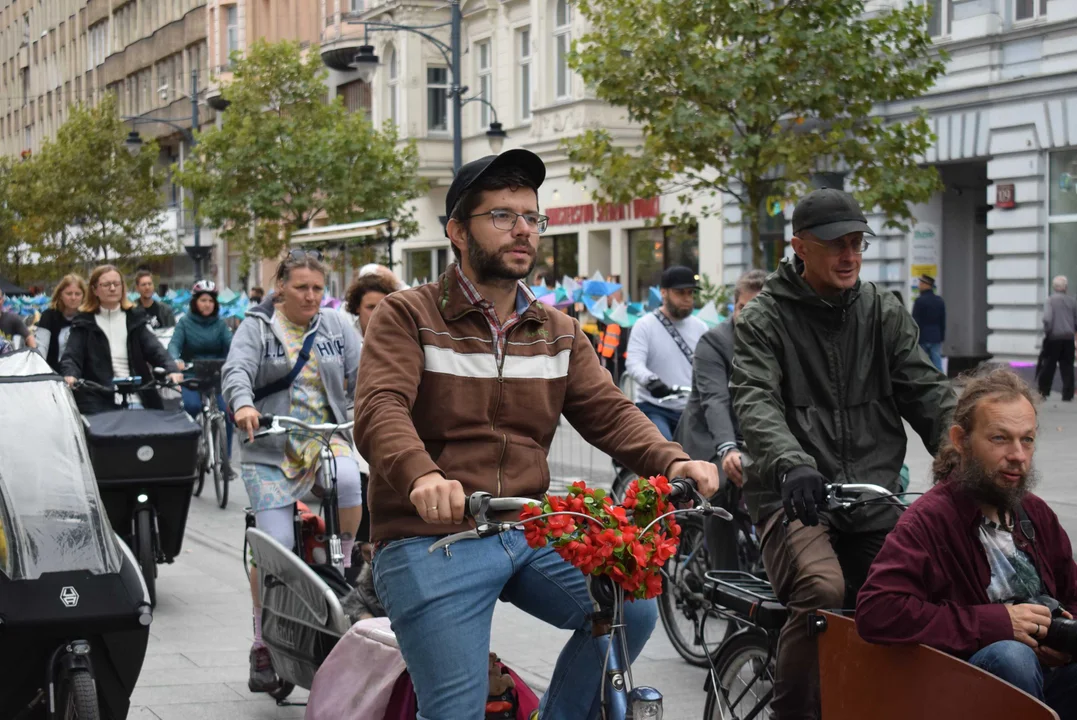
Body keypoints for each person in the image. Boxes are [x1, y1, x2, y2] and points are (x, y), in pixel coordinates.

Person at [354, 148, 719, 720]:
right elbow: (380, 408)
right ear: (456, 230)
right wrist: (421, 475)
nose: (523, 229)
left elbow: (609, 410)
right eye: (502, 216)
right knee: (453, 711)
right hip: (431, 536)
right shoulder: (408, 314)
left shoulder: (557, 330)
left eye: (532, 217)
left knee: (635, 607)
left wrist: (674, 461)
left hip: (524, 525)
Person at [730, 187, 956, 720]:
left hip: (871, 498)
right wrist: (793, 464)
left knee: (917, 592)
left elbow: (928, 392)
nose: (849, 255)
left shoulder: (882, 311)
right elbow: (756, 400)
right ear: (799, 247)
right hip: (795, 497)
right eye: (836, 245)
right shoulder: (765, 318)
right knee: (821, 588)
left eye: (857, 243)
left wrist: (965, 454)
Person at [856, 366, 1077, 716]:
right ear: (961, 441)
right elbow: (877, 611)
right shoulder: (927, 522)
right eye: (1000, 438)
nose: (1018, 455)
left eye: (1027, 439)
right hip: (959, 690)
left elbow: (1072, 592)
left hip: (1046, 680)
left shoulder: (1035, 514)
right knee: (1012, 656)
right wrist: (1000, 623)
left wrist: (1064, 638)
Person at [221, 250, 363, 694]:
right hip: (271, 448)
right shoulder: (256, 327)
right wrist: (243, 405)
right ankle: (262, 642)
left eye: (318, 288)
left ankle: (342, 559)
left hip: (326, 436)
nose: (311, 295)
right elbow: (236, 371)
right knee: (276, 548)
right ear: (280, 286)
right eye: (301, 287)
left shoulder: (338, 326)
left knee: (348, 480)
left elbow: (366, 377)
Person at [675, 269, 766, 570]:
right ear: (734, 307)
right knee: (721, 488)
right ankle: (724, 580)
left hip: (752, 434)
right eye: (743, 308)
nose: (749, 316)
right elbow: (716, 400)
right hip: (708, 436)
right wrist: (727, 448)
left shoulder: (775, 342)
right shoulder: (713, 343)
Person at [60, 265, 182, 414]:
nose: (112, 288)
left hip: (137, 396)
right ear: (94, 290)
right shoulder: (83, 323)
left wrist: (171, 369)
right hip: (97, 399)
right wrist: (70, 375)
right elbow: (72, 356)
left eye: (117, 284)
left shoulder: (135, 318)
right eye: (106, 284)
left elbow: (155, 349)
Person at [341, 269, 399, 564]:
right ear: (356, 310)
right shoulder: (346, 340)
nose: (377, 313)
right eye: (370, 307)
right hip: (352, 428)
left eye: (383, 305)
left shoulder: (400, 339)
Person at [624, 265, 708, 441]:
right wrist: (651, 380)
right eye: (680, 293)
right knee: (666, 451)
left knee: (703, 457)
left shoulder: (701, 328)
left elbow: (710, 366)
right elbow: (634, 363)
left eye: (690, 293)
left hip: (690, 409)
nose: (687, 299)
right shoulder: (645, 325)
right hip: (654, 406)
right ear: (663, 293)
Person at [168, 280, 234, 460]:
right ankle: (188, 452)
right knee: (192, 406)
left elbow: (233, 345)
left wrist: (237, 358)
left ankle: (225, 459)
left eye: (211, 301)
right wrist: (175, 360)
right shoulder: (184, 323)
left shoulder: (221, 325)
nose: (207, 304)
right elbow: (174, 344)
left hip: (216, 375)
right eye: (203, 300)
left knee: (226, 411)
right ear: (195, 302)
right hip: (191, 375)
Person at [35, 274, 86, 372]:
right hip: (53, 374)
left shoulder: (88, 317)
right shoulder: (48, 316)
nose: (73, 298)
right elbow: (41, 347)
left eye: (78, 294)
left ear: (84, 296)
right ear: (60, 295)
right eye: (69, 294)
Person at [1039, 276, 1077, 401]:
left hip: (1054, 337)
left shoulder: (1050, 301)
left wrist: (1047, 331)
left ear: (1054, 287)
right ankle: (1067, 393)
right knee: (1067, 366)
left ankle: (1044, 391)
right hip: (1069, 338)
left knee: (1049, 364)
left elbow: (1048, 318)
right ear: (1065, 287)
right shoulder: (1072, 301)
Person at [912, 274, 946, 371]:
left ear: (926, 285)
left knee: (922, 364)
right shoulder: (939, 301)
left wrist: (914, 337)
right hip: (936, 337)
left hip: (922, 337)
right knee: (937, 363)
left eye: (921, 283)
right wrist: (941, 337)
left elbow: (915, 321)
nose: (919, 286)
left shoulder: (919, 301)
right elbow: (942, 321)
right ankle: (941, 384)